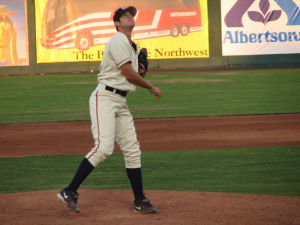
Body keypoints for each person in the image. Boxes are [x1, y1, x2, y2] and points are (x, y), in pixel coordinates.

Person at [57, 6, 162, 214]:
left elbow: (134, 73)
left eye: (132, 14)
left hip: (121, 101)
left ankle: (139, 200)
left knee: (132, 149)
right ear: (117, 23)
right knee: (104, 147)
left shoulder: (133, 45)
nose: (130, 16)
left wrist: (141, 69)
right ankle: (69, 191)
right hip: (104, 98)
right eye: (125, 15)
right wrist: (150, 87)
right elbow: (127, 73)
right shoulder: (117, 40)